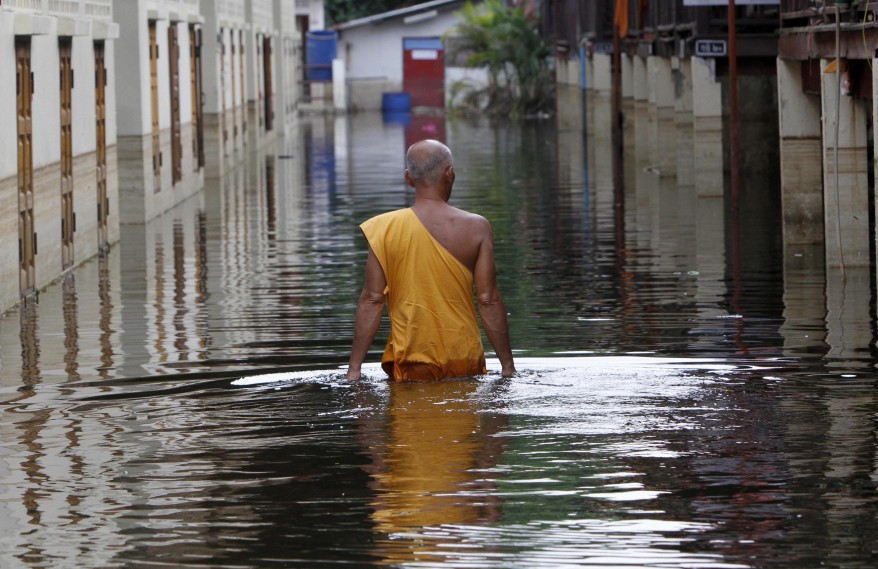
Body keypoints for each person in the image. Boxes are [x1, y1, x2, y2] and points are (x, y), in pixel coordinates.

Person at [346, 139, 516, 381]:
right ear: (450, 174)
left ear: (408, 178)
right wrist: (507, 367)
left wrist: (354, 369)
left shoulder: (384, 229)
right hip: (464, 357)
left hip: (411, 360)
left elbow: (372, 299)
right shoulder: (476, 227)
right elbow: (488, 299)